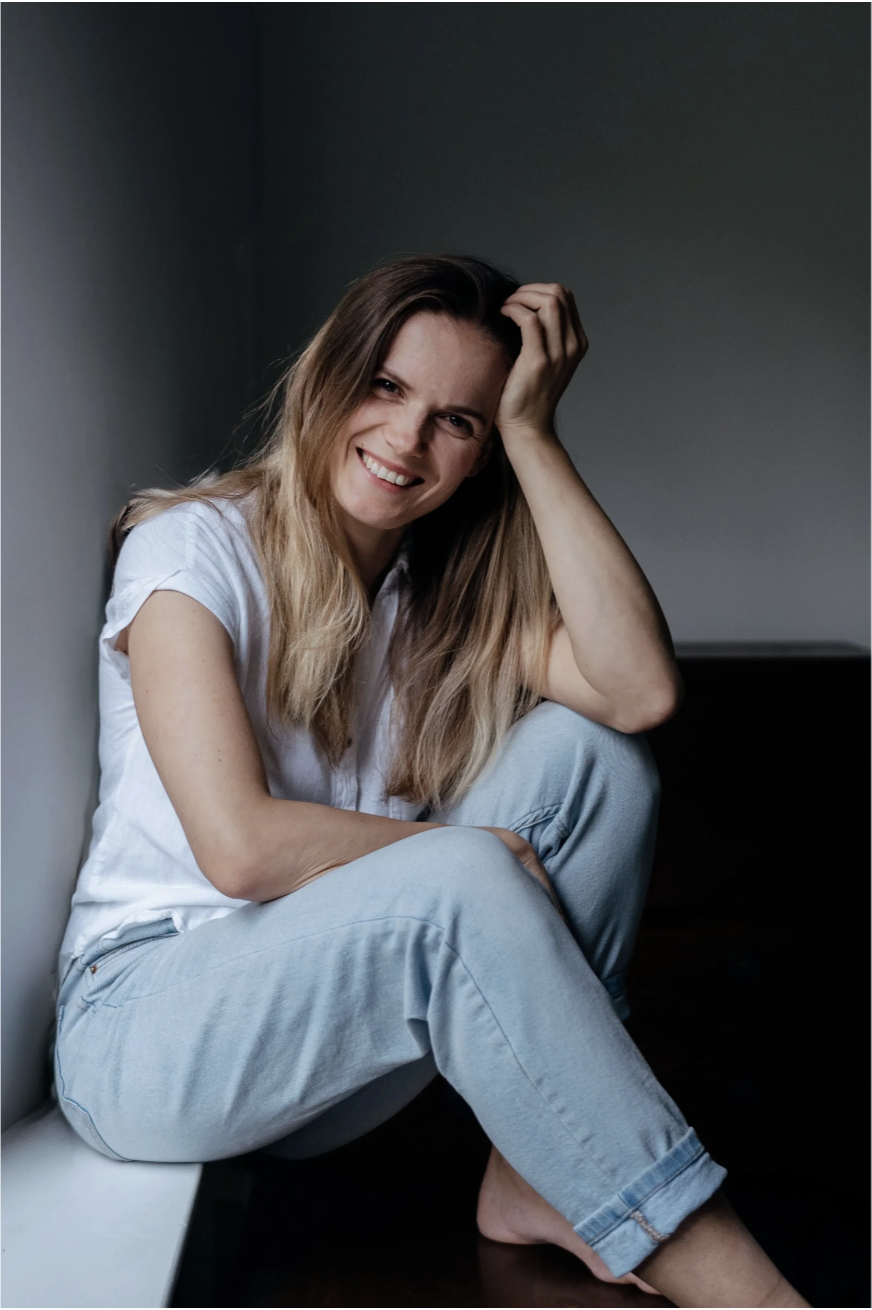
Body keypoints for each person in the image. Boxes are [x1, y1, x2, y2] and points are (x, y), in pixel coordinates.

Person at [54, 254, 808, 1307]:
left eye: (458, 420)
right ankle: (754, 1295)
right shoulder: (189, 549)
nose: (406, 441)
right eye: (386, 386)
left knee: (593, 758)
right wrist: (463, 856)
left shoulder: (432, 599)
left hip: (320, 1044)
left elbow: (638, 690)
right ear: (330, 377)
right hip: (147, 1039)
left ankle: (535, 1176)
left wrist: (537, 434)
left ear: (482, 450)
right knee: (459, 877)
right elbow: (240, 847)